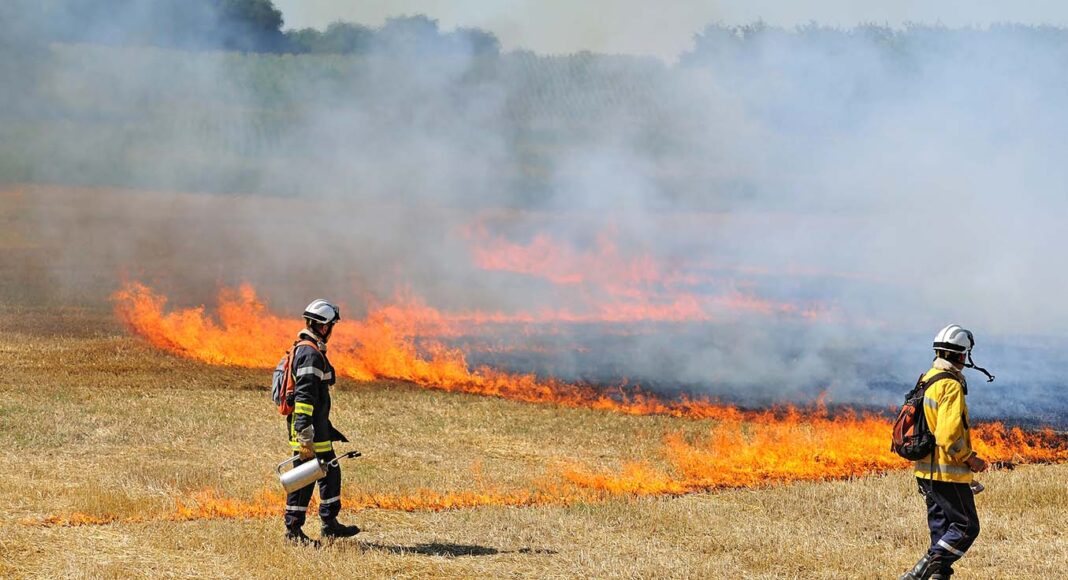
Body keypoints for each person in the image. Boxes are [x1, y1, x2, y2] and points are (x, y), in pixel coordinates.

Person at [900, 324, 995, 580]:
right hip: (946, 472)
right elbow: (948, 436)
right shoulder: (950, 385)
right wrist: (970, 459)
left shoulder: (928, 378)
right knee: (966, 527)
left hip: (925, 471)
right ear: (962, 355)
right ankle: (918, 573)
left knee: (941, 531)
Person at [283, 299, 360, 546]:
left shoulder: (313, 350)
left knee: (330, 472)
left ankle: (330, 523)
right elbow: (304, 397)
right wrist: (304, 434)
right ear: (325, 327)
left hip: (319, 428)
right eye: (332, 326)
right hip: (309, 430)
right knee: (304, 478)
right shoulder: (309, 353)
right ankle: (293, 531)